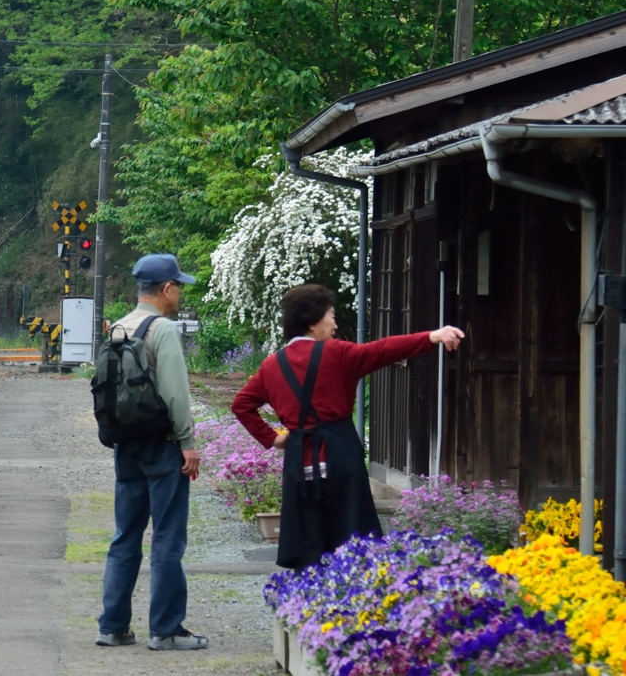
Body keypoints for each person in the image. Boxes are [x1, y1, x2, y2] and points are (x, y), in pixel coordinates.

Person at [231, 284, 464, 571]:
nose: (335, 323)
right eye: (331, 315)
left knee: (309, 543)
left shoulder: (272, 365)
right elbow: (383, 350)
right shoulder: (337, 354)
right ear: (313, 320)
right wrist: (431, 336)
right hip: (340, 457)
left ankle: (309, 606)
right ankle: (351, 603)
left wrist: (275, 439)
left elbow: (242, 404)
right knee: (350, 539)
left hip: (299, 461)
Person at [95, 254, 208, 651]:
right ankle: (165, 629)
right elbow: (176, 393)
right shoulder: (162, 329)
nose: (179, 292)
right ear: (165, 289)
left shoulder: (118, 327)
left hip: (125, 446)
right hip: (163, 448)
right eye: (178, 285)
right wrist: (188, 444)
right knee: (167, 540)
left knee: (125, 537)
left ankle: (112, 627)